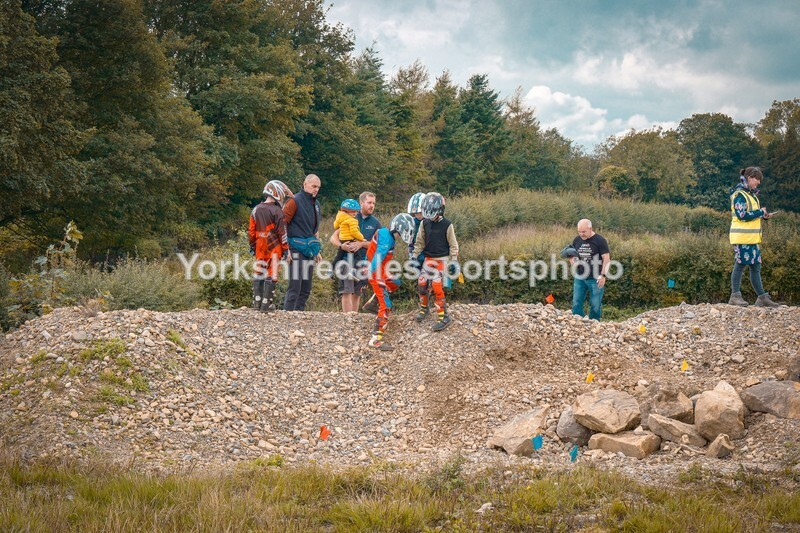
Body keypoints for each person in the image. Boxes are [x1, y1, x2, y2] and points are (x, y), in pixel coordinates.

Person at [728, 166, 779, 307]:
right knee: (740, 265)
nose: (759, 182)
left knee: (756, 266)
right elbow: (742, 215)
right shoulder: (739, 195)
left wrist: (764, 215)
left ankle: (762, 297)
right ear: (749, 178)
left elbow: (752, 214)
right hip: (742, 238)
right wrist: (760, 212)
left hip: (751, 238)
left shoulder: (751, 195)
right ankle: (735, 296)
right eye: (757, 179)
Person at [366, 213, 415, 350]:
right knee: (386, 305)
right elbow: (379, 254)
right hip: (376, 273)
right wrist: (370, 270)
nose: (403, 235)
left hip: (381, 271)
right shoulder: (387, 238)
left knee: (395, 283)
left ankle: (373, 303)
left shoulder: (386, 234)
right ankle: (375, 339)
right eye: (403, 231)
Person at [413, 192, 459, 331]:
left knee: (437, 285)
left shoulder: (447, 225)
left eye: (432, 214)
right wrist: (414, 256)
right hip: (428, 258)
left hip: (442, 258)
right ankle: (424, 308)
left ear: (440, 210)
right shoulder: (424, 223)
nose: (430, 217)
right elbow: (419, 241)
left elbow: (453, 245)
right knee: (422, 283)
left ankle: (443, 316)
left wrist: (454, 261)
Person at [329, 191, 382, 312]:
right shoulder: (349, 217)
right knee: (346, 291)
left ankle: (354, 317)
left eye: (373, 203)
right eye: (369, 203)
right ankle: (347, 318)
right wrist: (341, 246)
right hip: (346, 260)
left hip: (363, 261)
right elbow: (333, 238)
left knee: (357, 292)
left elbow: (378, 244)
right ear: (361, 203)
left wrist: (362, 244)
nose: (372, 206)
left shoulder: (376, 223)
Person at [248, 180, 291, 311]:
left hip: (260, 245)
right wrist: (286, 250)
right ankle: (267, 304)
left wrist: (252, 245)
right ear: (278, 193)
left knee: (259, 270)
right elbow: (283, 233)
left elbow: (251, 231)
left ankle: (257, 303)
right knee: (272, 273)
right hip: (274, 247)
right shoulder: (278, 211)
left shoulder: (255, 209)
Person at [283, 174, 322, 311]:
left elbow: (315, 230)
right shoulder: (293, 201)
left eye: (318, 187)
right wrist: (286, 249)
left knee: (306, 288)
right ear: (305, 184)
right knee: (294, 287)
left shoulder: (316, 204)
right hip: (294, 248)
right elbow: (282, 225)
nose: (316, 189)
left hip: (309, 249)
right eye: (313, 186)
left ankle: (299, 316)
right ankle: (287, 315)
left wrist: (317, 250)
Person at [570, 219, 610, 320]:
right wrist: (572, 259)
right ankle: (579, 323)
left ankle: (594, 325)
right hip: (580, 276)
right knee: (576, 303)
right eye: (579, 232)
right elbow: (572, 254)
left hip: (596, 278)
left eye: (584, 232)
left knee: (595, 305)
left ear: (590, 229)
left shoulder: (600, 240)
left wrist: (603, 275)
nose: (581, 234)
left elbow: (606, 259)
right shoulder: (577, 240)